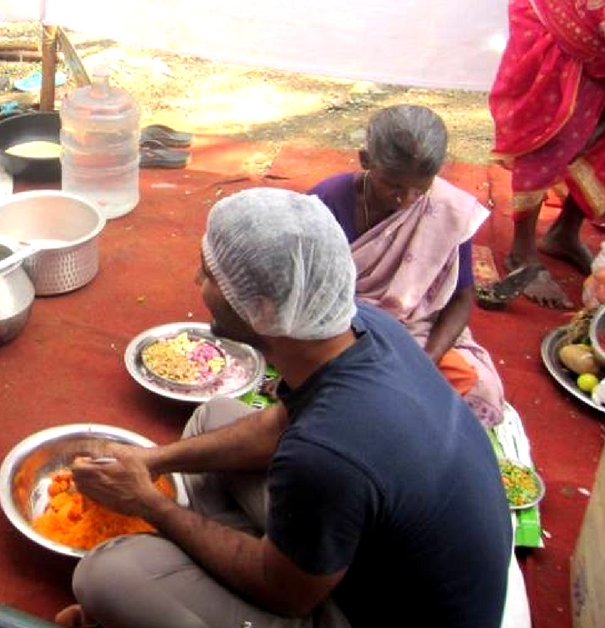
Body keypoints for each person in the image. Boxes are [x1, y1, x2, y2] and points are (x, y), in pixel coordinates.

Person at [56, 188, 513, 628]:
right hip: (378, 549)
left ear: (263, 310)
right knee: (214, 417)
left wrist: (150, 503)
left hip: (361, 610)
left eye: (211, 275)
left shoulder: (326, 453)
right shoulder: (363, 326)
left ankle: (247, 554)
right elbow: (280, 425)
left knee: (105, 577)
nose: (198, 282)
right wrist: (152, 459)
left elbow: (286, 594)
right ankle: (258, 548)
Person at [307, 105, 506, 427]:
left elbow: (460, 299)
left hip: (416, 329)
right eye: (394, 186)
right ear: (365, 160)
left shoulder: (449, 210)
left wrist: (426, 362)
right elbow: (304, 290)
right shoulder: (326, 200)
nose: (408, 199)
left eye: (421, 187)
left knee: (477, 388)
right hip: (338, 328)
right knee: (350, 392)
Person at [487, 0, 605, 309]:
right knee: (553, 136)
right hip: (564, 23)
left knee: (598, 132)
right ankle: (521, 251)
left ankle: (564, 232)